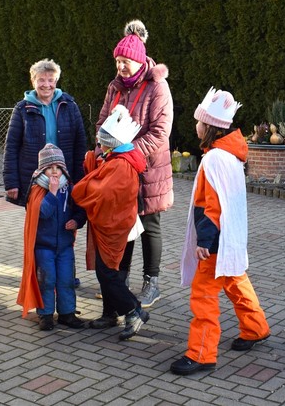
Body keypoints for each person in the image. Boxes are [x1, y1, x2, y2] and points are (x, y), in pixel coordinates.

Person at [170, 88, 271, 376]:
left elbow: (210, 203)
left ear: (209, 127)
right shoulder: (231, 156)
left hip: (214, 242)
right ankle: (255, 328)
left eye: (199, 122)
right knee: (235, 281)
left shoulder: (214, 159)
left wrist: (204, 240)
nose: (196, 126)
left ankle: (201, 354)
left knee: (203, 296)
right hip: (230, 239)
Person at [96, 20, 173, 307]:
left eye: (125, 61)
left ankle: (152, 283)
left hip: (149, 168)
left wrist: (128, 153)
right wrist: (102, 148)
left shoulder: (158, 87)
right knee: (124, 223)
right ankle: (120, 280)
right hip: (119, 168)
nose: (120, 67)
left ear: (139, 61)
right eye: (117, 61)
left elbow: (160, 132)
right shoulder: (114, 87)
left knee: (150, 224)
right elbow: (102, 122)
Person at [73, 105, 149, 341]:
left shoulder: (119, 164)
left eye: (102, 142)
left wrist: (84, 185)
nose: (99, 145)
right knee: (110, 272)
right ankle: (117, 313)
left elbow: (102, 192)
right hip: (124, 224)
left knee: (108, 273)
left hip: (118, 226)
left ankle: (133, 311)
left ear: (112, 144)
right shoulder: (119, 158)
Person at [16, 144, 86, 331]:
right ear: (42, 170)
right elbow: (43, 213)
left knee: (66, 280)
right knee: (46, 280)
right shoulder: (36, 189)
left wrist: (76, 221)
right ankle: (45, 315)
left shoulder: (69, 187)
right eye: (50, 168)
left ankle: (67, 313)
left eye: (58, 167)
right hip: (43, 246)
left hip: (65, 245)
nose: (54, 172)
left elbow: (80, 210)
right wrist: (53, 193)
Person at [3, 58, 87, 207]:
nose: (46, 85)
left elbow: (80, 145)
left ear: (56, 81)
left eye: (51, 80)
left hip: (64, 176)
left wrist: (80, 178)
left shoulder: (70, 106)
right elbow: (11, 147)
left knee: (64, 216)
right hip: (34, 177)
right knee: (38, 217)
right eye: (41, 80)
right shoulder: (22, 109)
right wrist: (11, 182)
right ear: (33, 81)